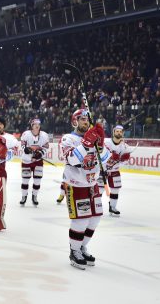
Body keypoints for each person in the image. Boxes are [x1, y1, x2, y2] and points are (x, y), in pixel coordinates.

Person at [60, 109, 108, 269]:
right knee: (80, 220)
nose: (85, 121)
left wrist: (100, 143)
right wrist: (86, 143)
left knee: (95, 219)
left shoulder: (94, 137)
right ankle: (74, 250)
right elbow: (71, 159)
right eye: (81, 119)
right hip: (76, 184)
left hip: (92, 185)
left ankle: (81, 246)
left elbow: (106, 160)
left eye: (87, 119)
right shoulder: (68, 138)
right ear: (74, 121)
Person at [101, 125, 132, 216]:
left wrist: (123, 160)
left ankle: (112, 207)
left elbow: (125, 163)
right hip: (102, 170)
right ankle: (95, 206)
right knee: (99, 189)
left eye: (120, 131)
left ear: (122, 133)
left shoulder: (125, 147)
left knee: (115, 189)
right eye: (117, 131)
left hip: (115, 171)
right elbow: (99, 153)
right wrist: (110, 156)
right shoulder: (106, 142)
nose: (118, 133)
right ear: (113, 132)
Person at [19, 118, 50, 206]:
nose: (37, 126)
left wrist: (40, 153)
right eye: (35, 124)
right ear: (31, 126)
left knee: (37, 180)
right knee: (25, 180)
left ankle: (34, 195)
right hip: (26, 161)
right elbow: (22, 145)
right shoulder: (26, 134)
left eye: (38, 124)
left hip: (38, 162)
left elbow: (46, 147)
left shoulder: (44, 135)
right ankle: (24, 196)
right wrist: (26, 149)